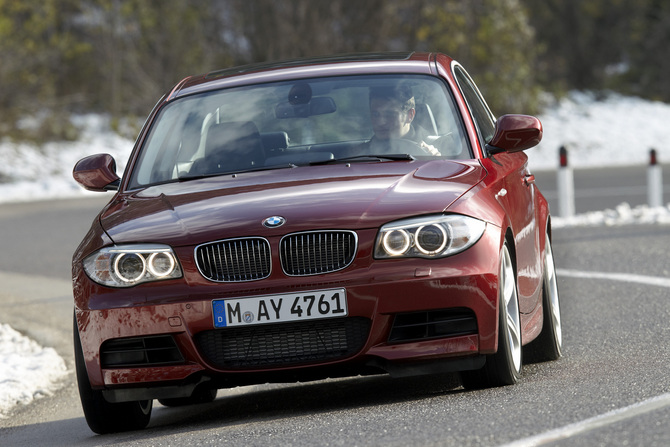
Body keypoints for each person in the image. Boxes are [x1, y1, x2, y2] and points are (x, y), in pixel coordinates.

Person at [367, 85, 441, 156]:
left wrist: (436, 161)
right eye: (375, 114)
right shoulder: (358, 155)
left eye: (390, 114)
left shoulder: (434, 148)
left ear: (410, 115)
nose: (380, 122)